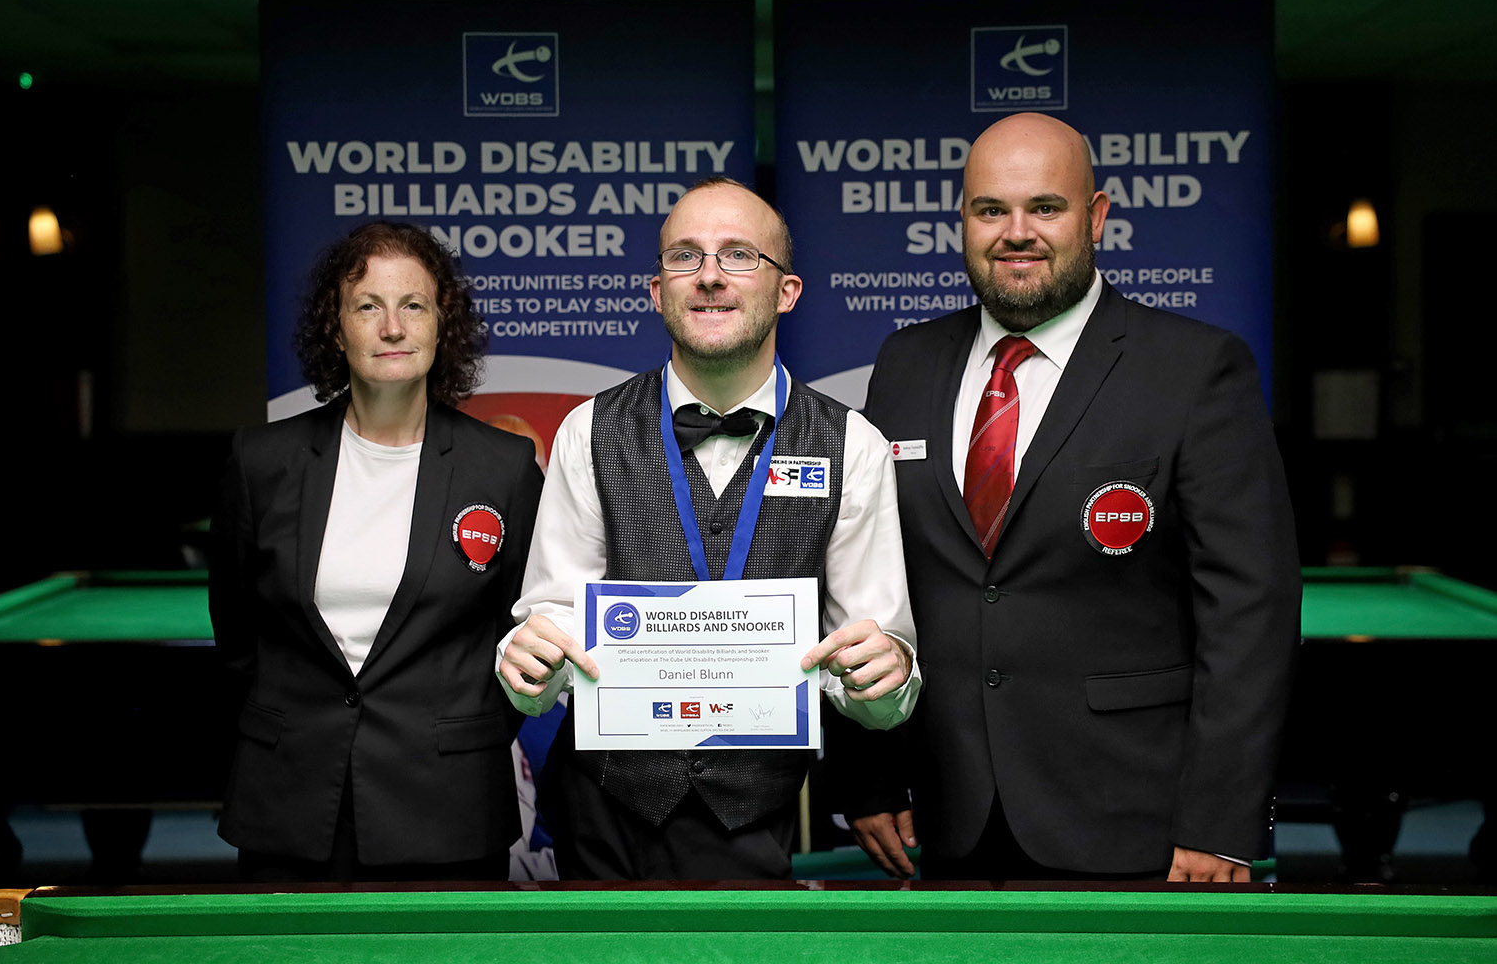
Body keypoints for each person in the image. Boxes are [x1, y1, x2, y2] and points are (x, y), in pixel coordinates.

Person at [835, 113, 1299, 882]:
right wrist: (872, 776)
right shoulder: (906, 362)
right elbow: (868, 581)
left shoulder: (1195, 369)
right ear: (963, 223)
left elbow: (1251, 611)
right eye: (991, 210)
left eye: (1044, 207)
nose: (1017, 232)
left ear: (1097, 217)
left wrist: (1221, 821)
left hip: (1135, 821)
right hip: (946, 818)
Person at [497, 177, 921, 879]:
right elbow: (548, 640)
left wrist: (887, 677)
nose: (711, 276)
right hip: (602, 816)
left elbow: (879, 678)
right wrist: (525, 669)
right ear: (657, 290)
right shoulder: (587, 432)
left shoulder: (853, 445)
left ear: (787, 291)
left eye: (739, 255)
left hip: (756, 820)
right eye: (685, 257)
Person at [210, 221, 543, 881]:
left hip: (449, 805)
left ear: (441, 323)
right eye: (368, 306)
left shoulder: (503, 469)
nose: (392, 327)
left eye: (412, 305)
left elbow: (525, 626)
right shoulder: (261, 461)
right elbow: (239, 637)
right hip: (291, 801)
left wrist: (457, 733)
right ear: (336, 328)